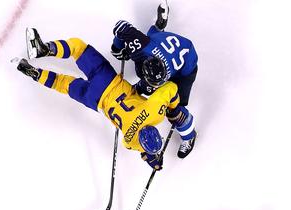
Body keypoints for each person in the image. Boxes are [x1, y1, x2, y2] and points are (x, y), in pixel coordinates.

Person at [15, 28, 192, 171]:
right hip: (95, 102)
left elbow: (171, 88)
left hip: (107, 81)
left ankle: (45, 49)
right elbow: (141, 149)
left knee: (78, 47)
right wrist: (152, 159)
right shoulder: (129, 142)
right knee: (63, 84)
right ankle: (35, 74)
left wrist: (173, 109)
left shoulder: (155, 113)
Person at [110, 1, 198, 158]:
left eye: (157, 82)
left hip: (186, 64)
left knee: (174, 109)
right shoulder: (141, 46)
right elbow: (120, 26)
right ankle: (159, 26)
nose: (153, 85)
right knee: (150, 38)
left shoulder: (164, 71)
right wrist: (116, 49)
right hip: (159, 44)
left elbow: (147, 88)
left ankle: (189, 136)